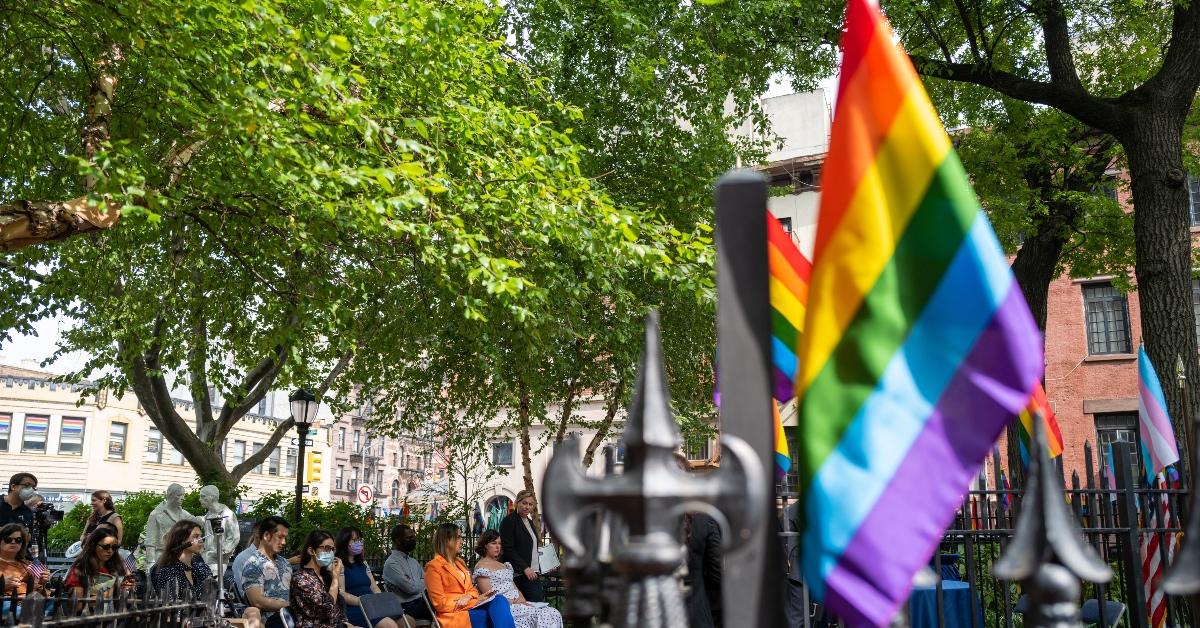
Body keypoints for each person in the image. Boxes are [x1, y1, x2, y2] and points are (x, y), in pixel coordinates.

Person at [425, 523, 514, 628]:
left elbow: (472, 589)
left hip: (471, 606)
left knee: (499, 599)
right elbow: (440, 604)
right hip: (454, 614)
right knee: (490, 615)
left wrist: (468, 596)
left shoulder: (460, 562)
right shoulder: (433, 567)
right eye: (458, 537)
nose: (462, 541)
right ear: (447, 540)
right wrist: (472, 602)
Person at [473, 530, 562, 628]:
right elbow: (489, 596)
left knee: (553, 612)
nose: (498, 547)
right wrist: (512, 601)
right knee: (544, 615)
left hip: (519, 603)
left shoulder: (504, 565)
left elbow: (514, 587)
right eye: (493, 543)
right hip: (505, 607)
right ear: (485, 545)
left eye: (499, 543)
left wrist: (522, 600)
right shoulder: (481, 567)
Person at [336, 526, 403, 628]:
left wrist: (380, 600)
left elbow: (374, 587)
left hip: (372, 605)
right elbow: (341, 593)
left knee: (407, 621)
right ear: (344, 542)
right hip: (355, 608)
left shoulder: (363, 563)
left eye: (360, 540)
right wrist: (362, 601)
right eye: (354, 540)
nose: (359, 543)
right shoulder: (340, 564)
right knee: (389, 625)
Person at [239, 516, 292, 628]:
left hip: (291, 618)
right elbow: (257, 601)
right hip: (271, 622)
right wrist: (290, 606)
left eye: (285, 538)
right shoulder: (253, 564)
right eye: (280, 537)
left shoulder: (284, 563)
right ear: (266, 536)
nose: (284, 542)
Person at [289, 529, 346, 628]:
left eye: (333, 549)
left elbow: (338, 608)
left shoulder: (325, 576)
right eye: (327, 548)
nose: (331, 553)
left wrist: (346, 624)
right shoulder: (301, 579)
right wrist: (335, 579)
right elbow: (327, 609)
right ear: (311, 551)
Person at [65, 528, 134, 601]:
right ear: (93, 546)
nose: (110, 551)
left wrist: (128, 586)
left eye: (114, 547)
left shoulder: (117, 566)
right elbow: (78, 606)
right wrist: (114, 589)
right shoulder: (79, 570)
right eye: (105, 547)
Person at [151, 519, 213, 600]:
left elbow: (213, 597)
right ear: (182, 540)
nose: (201, 540)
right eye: (195, 536)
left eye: (201, 536)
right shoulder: (167, 570)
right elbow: (171, 606)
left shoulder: (203, 568)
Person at [499, 490, 543, 603]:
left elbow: (531, 548)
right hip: (521, 574)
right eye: (524, 503)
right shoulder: (509, 521)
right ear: (517, 503)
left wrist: (544, 565)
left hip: (533, 572)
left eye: (530, 504)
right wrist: (525, 568)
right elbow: (508, 549)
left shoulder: (529, 521)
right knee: (534, 607)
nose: (527, 507)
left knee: (536, 607)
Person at [383, 524, 433, 622]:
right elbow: (410, 589)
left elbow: (428, 582)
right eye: (409, 538)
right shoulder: (392, 564)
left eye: (413, 537)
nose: (413, 540)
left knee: (446, 604)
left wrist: (421, 583)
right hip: (407, 607)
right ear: (398, 540)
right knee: (441, 604)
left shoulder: (413, 561)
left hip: (422, 602)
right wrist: (422, 583)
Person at [144, 483, 202, 566]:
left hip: (181, 555)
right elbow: (150, 541)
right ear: (170, 495)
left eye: (183, 495)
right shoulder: (156, 514)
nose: (182, 498)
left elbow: (197, 520)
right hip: (163, 556)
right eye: (179, 495)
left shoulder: (183, 513)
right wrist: (150, 562)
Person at [0, 523, 49, 609]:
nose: (13, 542)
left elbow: (41, 594)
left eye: (18, 540)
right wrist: (2, 585)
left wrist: (42, 582)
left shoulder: (28, 564)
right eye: (8, 539)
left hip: (33, 604)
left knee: (58, 606)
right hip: (8, 605)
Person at [198, 485, 239, 568]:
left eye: (203, 496)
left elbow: (234, 538)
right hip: (207, 559)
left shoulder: (227, 514)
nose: (200, 499)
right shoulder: (209, 515)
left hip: (218, 562)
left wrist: (218, 552)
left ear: (212, 497)